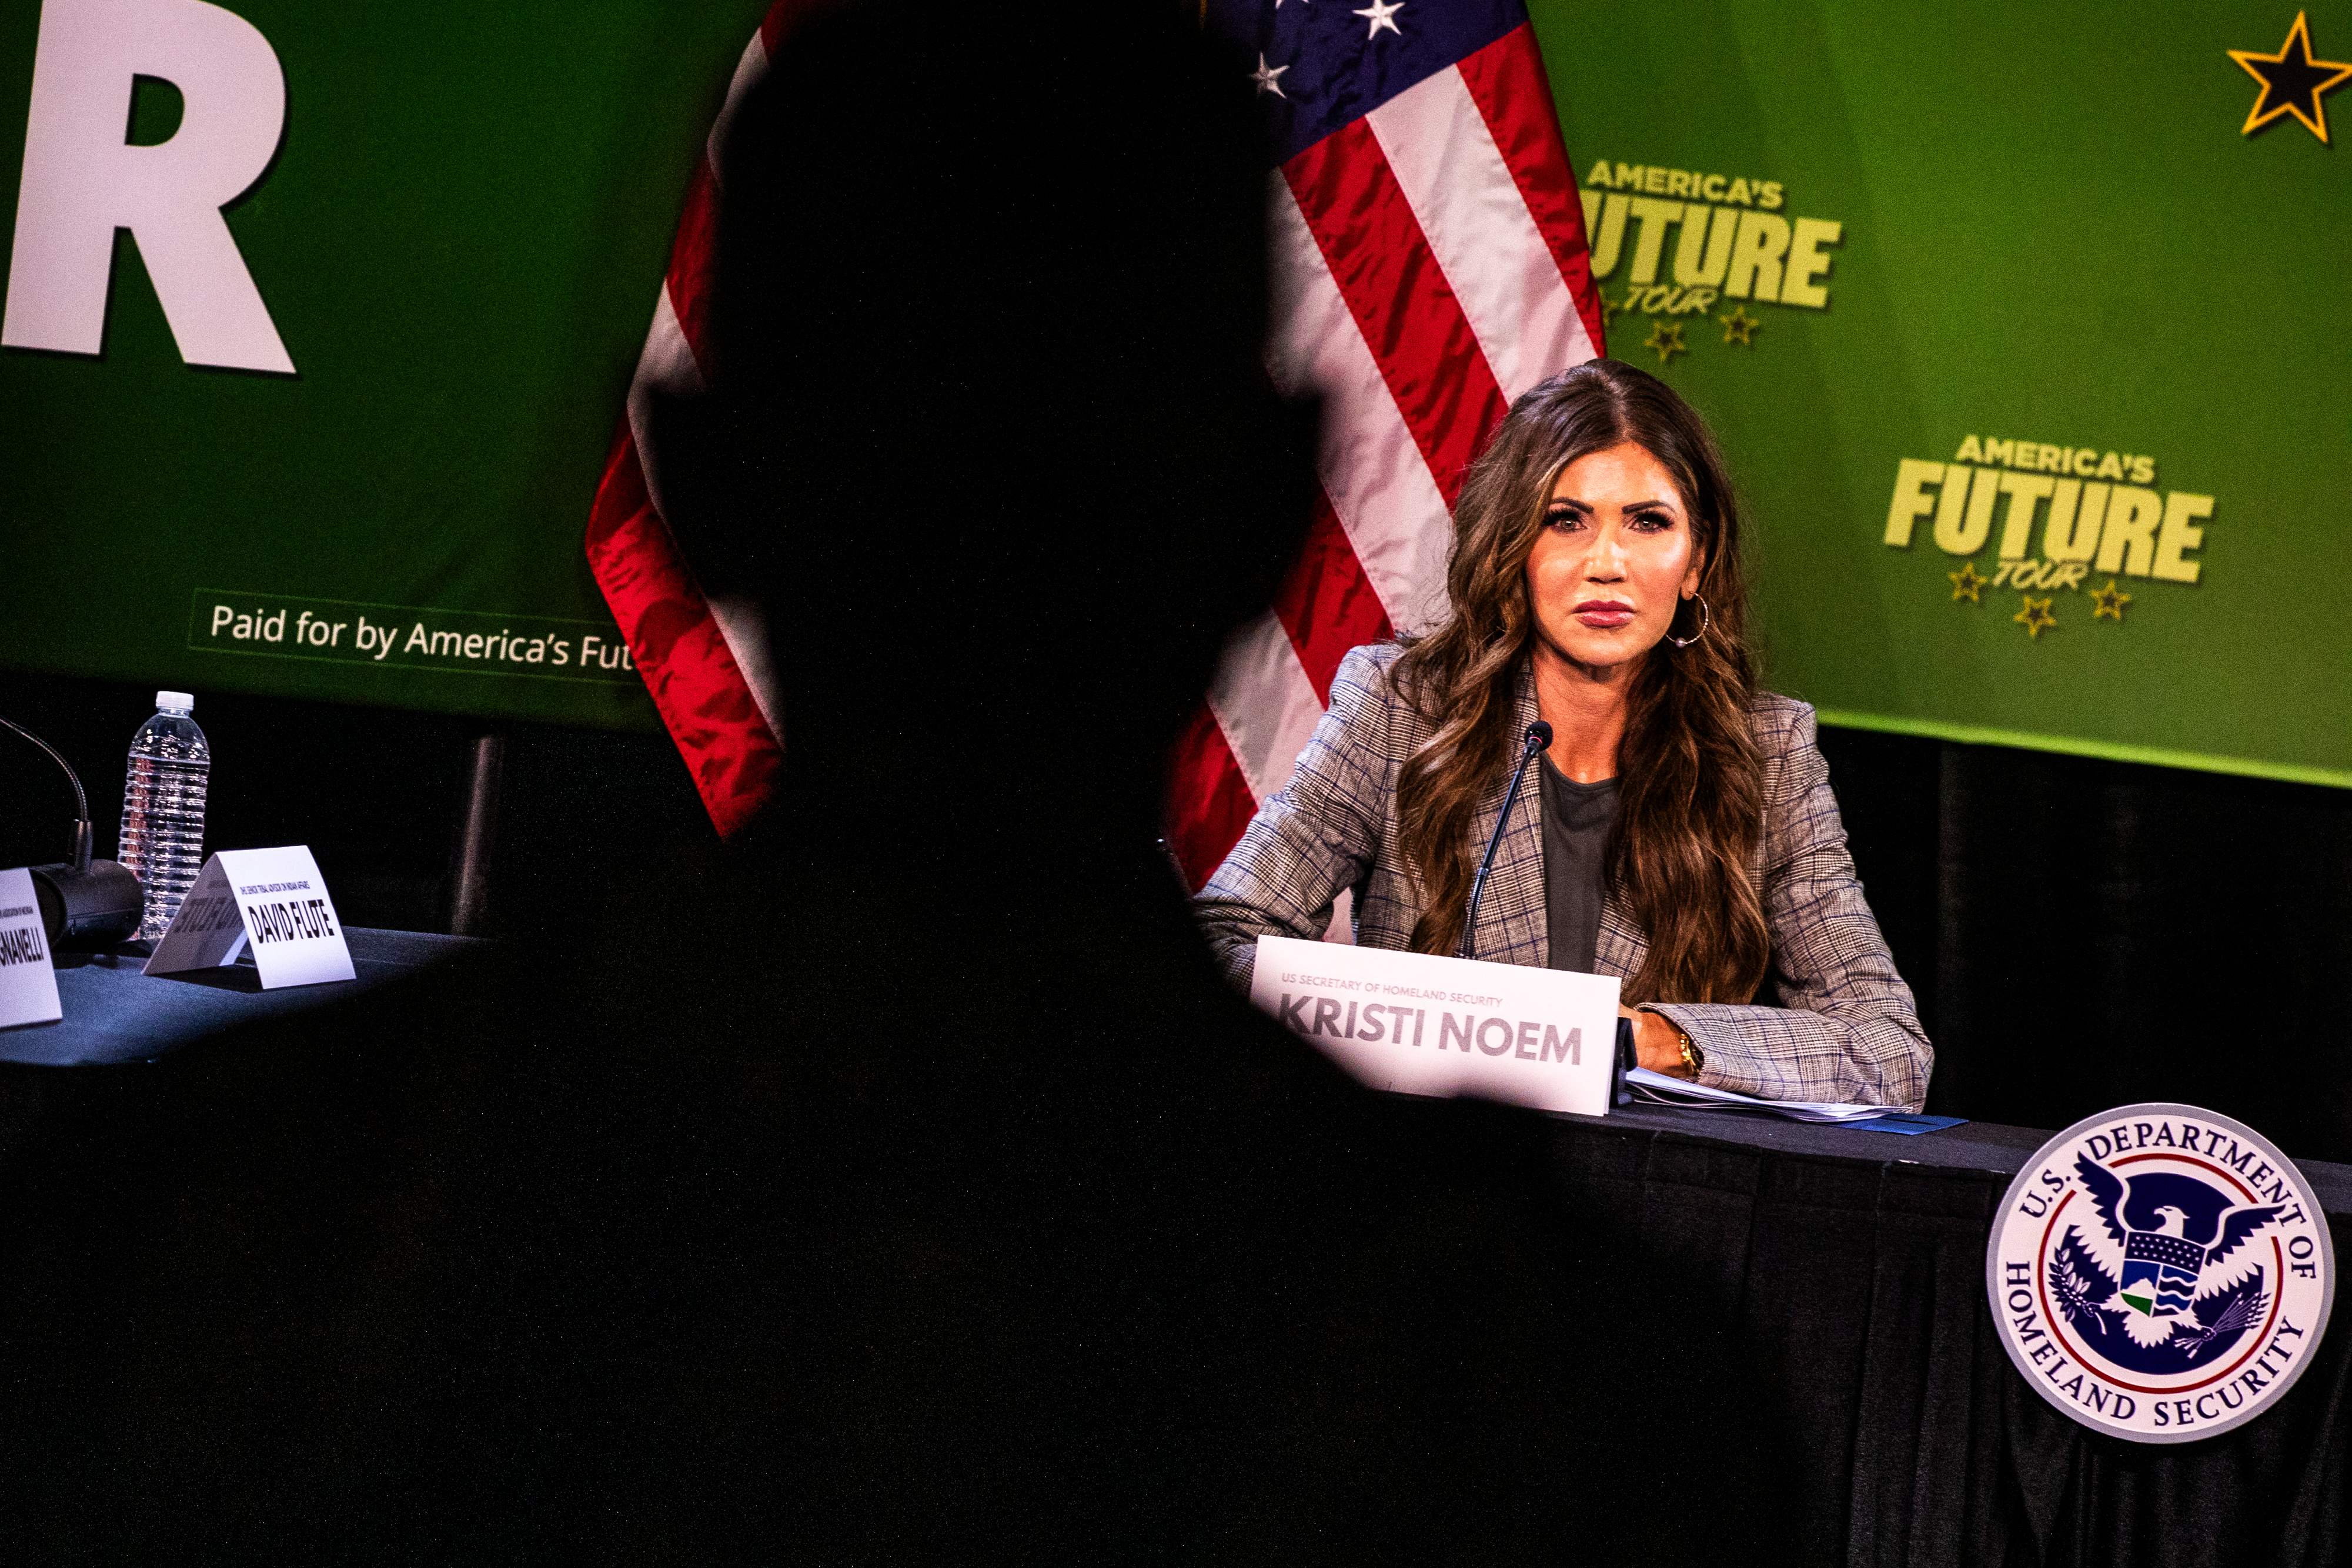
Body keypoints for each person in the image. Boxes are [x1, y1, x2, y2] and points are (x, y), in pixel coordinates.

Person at [1195, 361, 1932, 1112]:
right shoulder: (1400, 709)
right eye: (1565, 520)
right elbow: (1221, 941)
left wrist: (1660, 1042)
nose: (1606, 564)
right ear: (1512, 548)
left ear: (1695, 565)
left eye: (1648, 522)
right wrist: (1410, 1025)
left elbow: (1888, 1050)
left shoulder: (1767, 751)